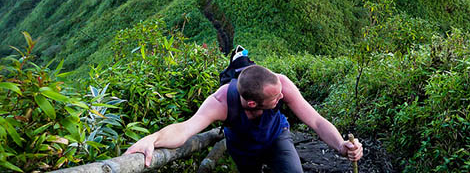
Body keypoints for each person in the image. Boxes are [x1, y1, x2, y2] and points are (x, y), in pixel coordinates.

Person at [125, 64, 363, 172]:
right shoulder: (220, 103)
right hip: (241, 147)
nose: (282, 97)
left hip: (276, 137)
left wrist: (341, 145)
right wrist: (152, 139)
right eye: (276, 98)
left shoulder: (282, 85)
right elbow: (186, 129)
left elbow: (317, 121)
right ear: (252, 103)